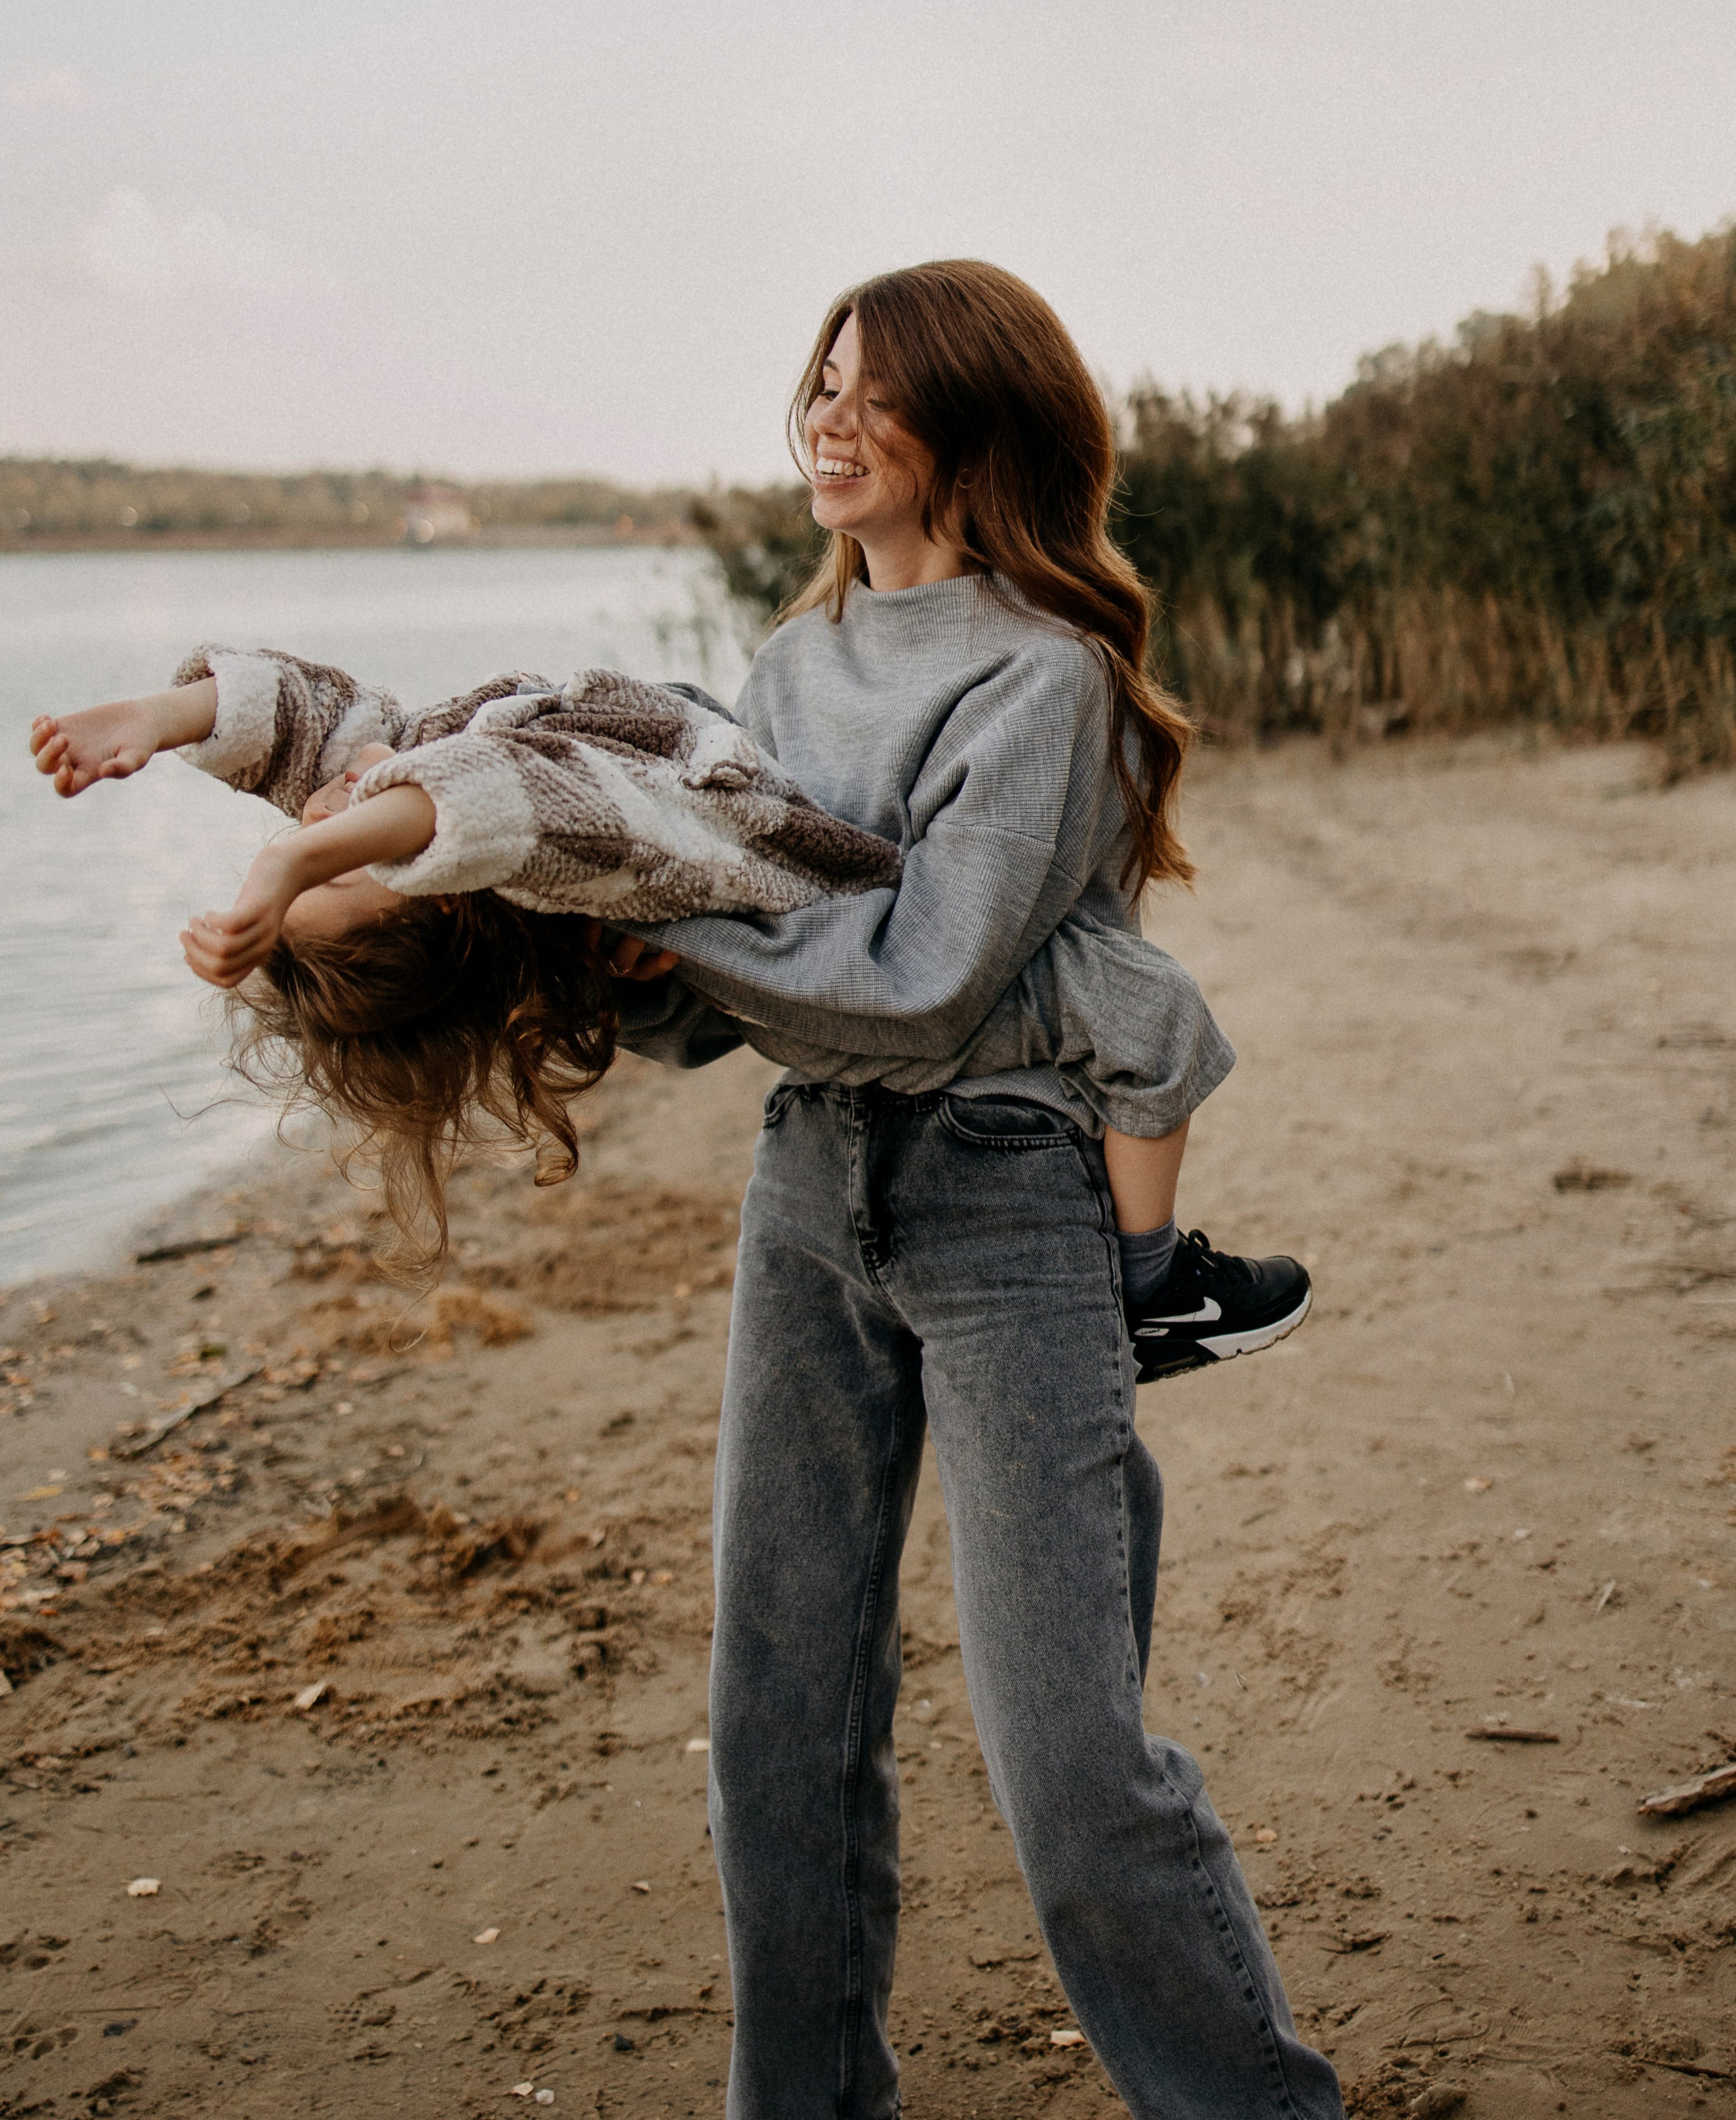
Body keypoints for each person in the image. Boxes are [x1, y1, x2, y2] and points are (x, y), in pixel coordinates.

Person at [593, 261, 1341, 2118]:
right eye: (816, 384)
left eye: (875, 393)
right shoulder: (785, 667)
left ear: (974, 423)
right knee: (778, 1728)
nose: (826, 423)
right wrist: (626, 973)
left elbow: (924, 974)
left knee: (1075, 1777)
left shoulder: (1046, 675)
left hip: (1009, 1203)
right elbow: (746, 1010)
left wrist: (700, 939)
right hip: (805, 1194)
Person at [26, 648, 1288, 1370]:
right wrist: (293, 869)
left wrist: (156, 717)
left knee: (1121, 1010)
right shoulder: (536, 834)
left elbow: (316, 719)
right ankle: (1151, 1278)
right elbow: (500, 793)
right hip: (838, 927)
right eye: (358, 870)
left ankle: (1144, 1263)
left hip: (778, 811)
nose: (322, 824)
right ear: (444, 888)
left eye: (322, 835)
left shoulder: (398, 772)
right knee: (1139, 1014)